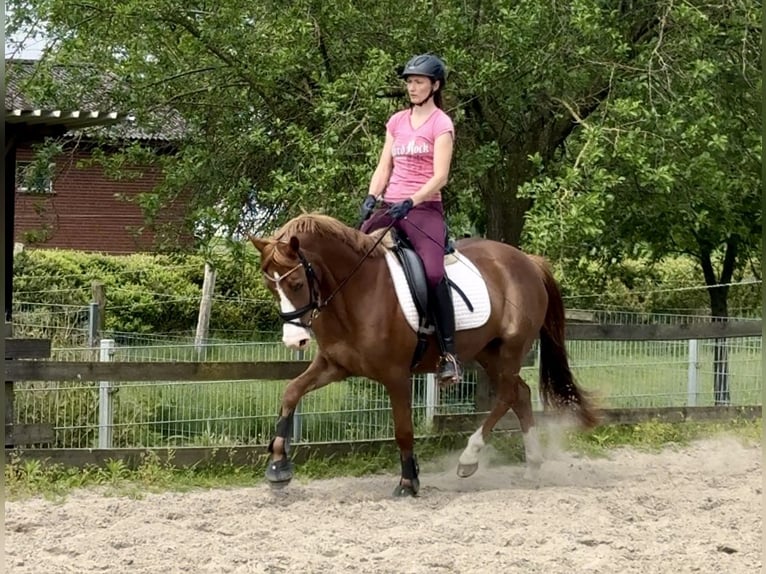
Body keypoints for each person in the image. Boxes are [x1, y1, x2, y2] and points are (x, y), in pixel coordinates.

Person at [359, 53, 461, 385]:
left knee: (432, 273)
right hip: (390, 207)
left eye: (418, 82)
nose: (412, 87)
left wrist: (411, 200)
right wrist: (372, 197)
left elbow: (441, 176)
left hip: (424, 209)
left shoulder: (441, 124)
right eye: (409, 82)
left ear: (435, 85)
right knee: (354, 255)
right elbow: (384, 166)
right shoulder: (397, 121)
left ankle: (448, 355)